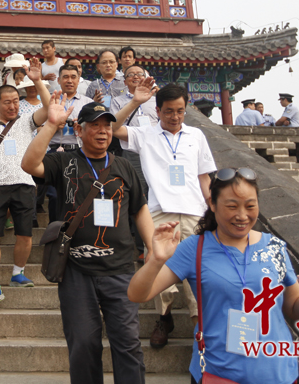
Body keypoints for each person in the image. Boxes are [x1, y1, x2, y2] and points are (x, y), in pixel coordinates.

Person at [128, 167, 299, 383]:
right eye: (232, 206)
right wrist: (157, 259)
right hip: (218, 373)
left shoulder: (274, 247)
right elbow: (137, 294)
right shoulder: (194, 248)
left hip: (278, 374)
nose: (242, 215)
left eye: (250, 206)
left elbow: (295, 308)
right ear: (212, 204)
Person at [21, 100, 155, 384]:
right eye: (95, 125)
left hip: (120, 271)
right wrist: (51, 124)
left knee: (128, 344)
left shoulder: (123, 166)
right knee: (83, 345)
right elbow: (29, 164)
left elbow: (140, 209)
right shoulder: (63, 161)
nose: (103, 131)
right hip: (76, 272)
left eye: (107, 125)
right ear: (79, 130)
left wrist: (153, 248)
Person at [111, 80, 217, 349]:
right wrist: (135, 101)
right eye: (169, 111)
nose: (175, 116)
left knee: (198, 270)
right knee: (158, 265)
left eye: (180, 111)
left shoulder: (196, 135)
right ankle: (164, 317)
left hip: (195, 213)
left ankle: (200, 325)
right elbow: (111, 128)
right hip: (159, 212)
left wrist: (212, 207)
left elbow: (204, 176)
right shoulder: (145, 134)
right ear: (157, 111)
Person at [0, 58, 51, 308]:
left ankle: (18, 272)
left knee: (24, 234)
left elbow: (50, 109)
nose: (13, 106)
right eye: (7, 102)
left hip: (24, 184)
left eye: (16, 101)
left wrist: (37, 81)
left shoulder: (27, 120)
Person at [111, 64, 158, 260]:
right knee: (139, 196)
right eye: (131, 74)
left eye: (140, 74)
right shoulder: (118, 101)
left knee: (156, 193)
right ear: (125, 81)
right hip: (131, 151)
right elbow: (113, 126)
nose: (136, 77)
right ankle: (141, 247)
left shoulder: (156, 100)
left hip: (156, 152)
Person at [42, 63, 94, 222]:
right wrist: (53, 126)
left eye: (73, 77)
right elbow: (40, 128)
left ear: (79, 80)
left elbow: (94, 129)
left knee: (81, 193)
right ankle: (54, 229)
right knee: (54, 195)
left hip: (79, 151)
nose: (69, 80)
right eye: (65, 77)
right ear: (58, 80)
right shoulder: (51, 101)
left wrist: (81, 125)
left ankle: (77, 229)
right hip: (54, 151)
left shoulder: (88, 103)